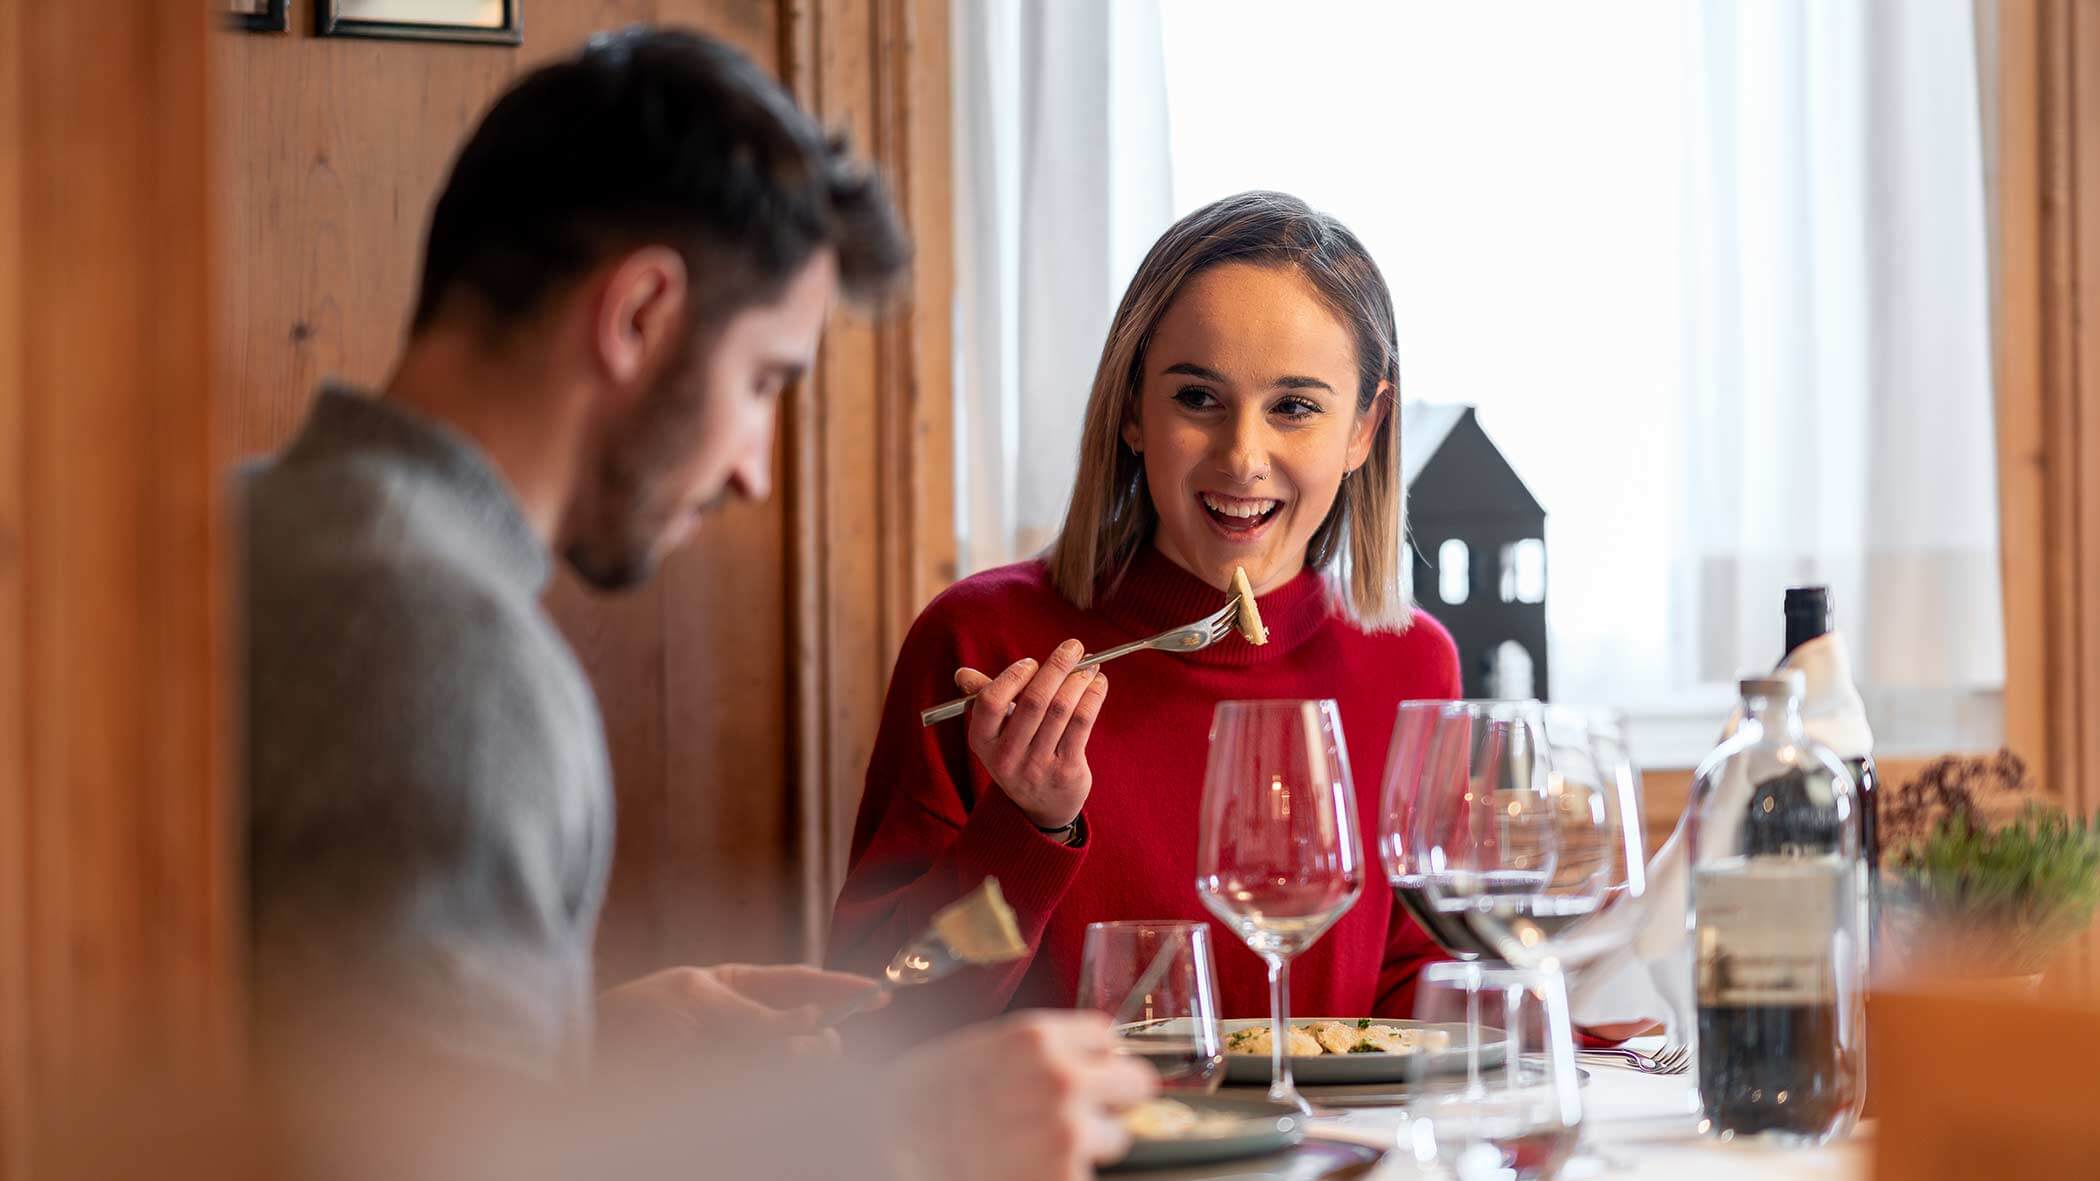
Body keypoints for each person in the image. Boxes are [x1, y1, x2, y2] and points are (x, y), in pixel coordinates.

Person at [243, 25, 1151, 1178]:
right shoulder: (454, 662)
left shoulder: (234, 536)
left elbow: (291, 1073)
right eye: (763, 380)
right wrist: (906, 1132)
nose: (752, 470)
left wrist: (585, 1046)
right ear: (638, 317)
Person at [829, 192, 1463, 1044]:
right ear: (1132, 410)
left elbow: (1421, 991)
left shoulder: (1412, 664)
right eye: (1198, 397)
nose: (1243, 455)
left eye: (1296, 406)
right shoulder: (980, 640)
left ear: (1364, 427)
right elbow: (878, 1011)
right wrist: (1026, 831)